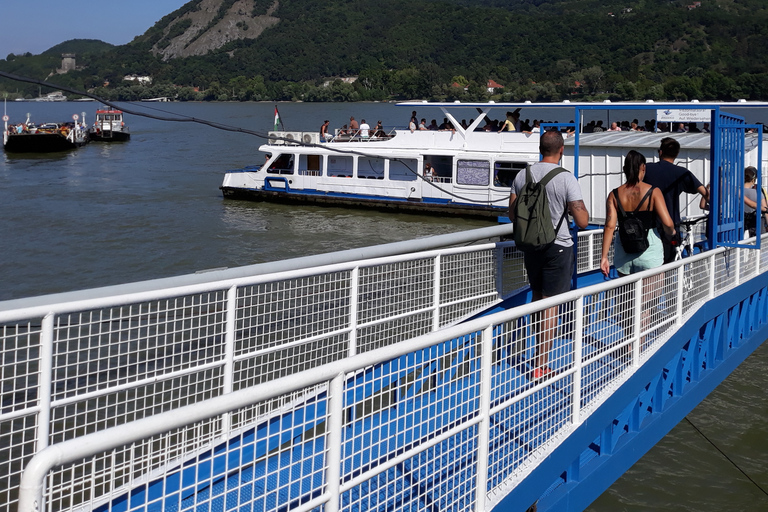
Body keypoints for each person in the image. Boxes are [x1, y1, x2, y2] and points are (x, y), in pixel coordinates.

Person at [508, 130, 589, 380]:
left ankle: (537, 354)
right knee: (551, 304)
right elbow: (583, 221)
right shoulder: (566, 178)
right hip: (558, 246)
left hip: (531, 245)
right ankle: (541, 364)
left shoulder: (523, 175)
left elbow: (512, 214)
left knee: (537, 297)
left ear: (540, 149)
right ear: (561, 150)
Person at [600, 150, 676, 277]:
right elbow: (667, 223)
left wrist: (604, 257)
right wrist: (672, 233)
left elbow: (609, 226)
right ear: (643, 168)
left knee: (626, 296)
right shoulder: (653, 192)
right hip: (649, 250)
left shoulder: (614, 195)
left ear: (624, 169)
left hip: (624, 251)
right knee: (651, 296)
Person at [644, 137, 709, 263]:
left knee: (647, 263)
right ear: (677, 154)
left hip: (646, 225)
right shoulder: (682, 173)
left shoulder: (646, 169)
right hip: (670, 226)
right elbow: (706, 194)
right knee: (667, 263)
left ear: (660, 152)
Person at [743, 166, 768, 237]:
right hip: (757, 223)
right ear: (753, 180)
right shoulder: (758, 192)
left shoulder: (737, 191)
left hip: (741, 223)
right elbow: (765, 209)